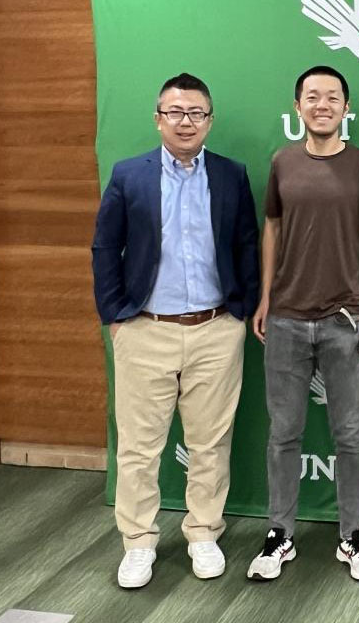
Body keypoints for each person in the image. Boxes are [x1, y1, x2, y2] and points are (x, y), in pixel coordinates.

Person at [92, 72, 259, 589]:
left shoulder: (232, 175)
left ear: (210, 120)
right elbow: (105, 247)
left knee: (210, 441)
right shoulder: (129, 175)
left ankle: (203, 532)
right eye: (176, 112)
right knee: (140, 447)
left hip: (216, 329)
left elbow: (248, 245)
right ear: (158, 117)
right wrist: (116, 317)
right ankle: (138, 542)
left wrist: (243, 310)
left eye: (196, 113)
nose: (186, 122)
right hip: (145, 330)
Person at [247, 65, 359, 583]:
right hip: (284, 318)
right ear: (298, 107)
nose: (322, 104)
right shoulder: (282, 162)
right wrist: (265, 297)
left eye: (332, 97)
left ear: (345, 108)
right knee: (283, 433)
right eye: (312, 96)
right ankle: (279, 533)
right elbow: (272, 229)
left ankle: (351, 536)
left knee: (350, 435)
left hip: (345, 319)